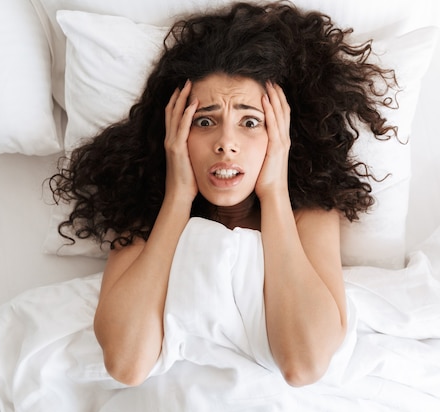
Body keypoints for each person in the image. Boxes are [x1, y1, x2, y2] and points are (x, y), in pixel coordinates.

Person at [49, 0, 398, 388]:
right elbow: (127, 363)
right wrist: (178, 197)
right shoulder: (143, 212)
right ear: (175, 133)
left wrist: (274, 191)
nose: (226, 143)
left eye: (250, 122)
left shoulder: (309, 215)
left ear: (280, 135)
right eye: (204, 121)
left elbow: (304, 364)